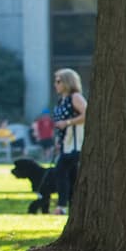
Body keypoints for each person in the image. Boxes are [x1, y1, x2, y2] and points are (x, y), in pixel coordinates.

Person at [51, 68, 87, 214]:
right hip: (65, 144)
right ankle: (74, 206)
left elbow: (88, 113)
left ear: (67, 82)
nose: (56, 84)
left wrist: (68, 123)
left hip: (76, 145)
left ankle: (61, 206)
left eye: (58, 81)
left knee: (61, 171)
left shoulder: (75, 97)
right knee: (71, 175)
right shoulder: (62, 100)